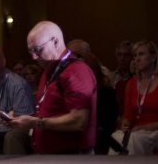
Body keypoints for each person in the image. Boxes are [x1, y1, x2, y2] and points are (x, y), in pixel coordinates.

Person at [6, 21, 97, 154]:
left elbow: (79, 121)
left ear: (55, 41)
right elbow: (49, 113)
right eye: (30, 51)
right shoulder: (48, 71)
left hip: (72, 156)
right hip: (50, 155)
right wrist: (21, 119)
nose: (33, 57)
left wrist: (36, 122)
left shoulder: (76, 71)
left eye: (37, 49)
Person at [110, 40, 158, 155]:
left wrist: (148, 127)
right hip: (136, 132)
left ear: (153, 57)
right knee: (115, 137)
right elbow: (127, 114)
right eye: (135, 55)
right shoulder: (132, 83)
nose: (137, 59)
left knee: (135, 140)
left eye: (141, 54)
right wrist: (125, 122)